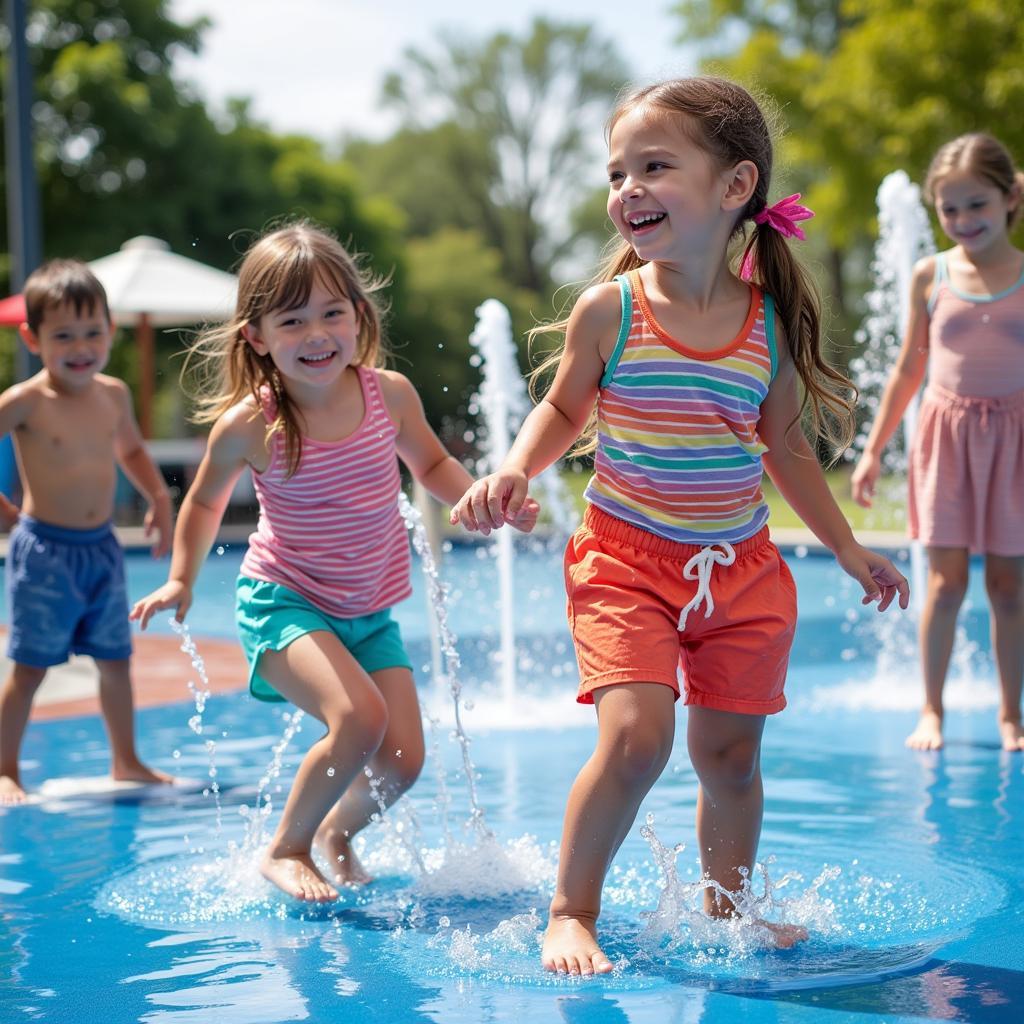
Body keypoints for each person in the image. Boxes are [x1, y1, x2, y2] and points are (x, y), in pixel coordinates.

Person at [451, 76, 910, 975]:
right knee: (636, 739)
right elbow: (560, 409)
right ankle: (570, 910)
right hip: (625, 560)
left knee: (730, 756)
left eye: (654, 167)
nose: (627, 189)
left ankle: (728, 908)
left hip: (739, 569)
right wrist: (512, 467)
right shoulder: (611, 311)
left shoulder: (765, 326)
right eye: (617, 173)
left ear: (734, 188)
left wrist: (850, 549)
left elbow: (786, 451)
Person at [130, 222, 537, 902]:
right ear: (256, 337)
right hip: (283, 601)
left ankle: (335, 834)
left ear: (359, 318)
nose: (316, 335)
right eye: (292, 321)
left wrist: (478, 498)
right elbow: (202, 505)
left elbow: (431, 464)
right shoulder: (251, 425)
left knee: (404, 756)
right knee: (358, 719)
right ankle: (285, 847)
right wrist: (180, 578)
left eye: (331, 314)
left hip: (367, 611)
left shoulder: (391, 396)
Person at [852, 133, 1024, 753]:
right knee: (945, 583)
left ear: (1009, 197)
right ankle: (932, 711)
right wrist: (873, 450)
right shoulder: (932, 273)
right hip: (946, 436)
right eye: (949, 209)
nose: (962, 221)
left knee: (1008, 584)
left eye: (976, 205)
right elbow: (907, 368)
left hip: (1015, 440)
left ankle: (1010, 716)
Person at [0, 259, 174, 804]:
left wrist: (160, 498)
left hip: (101, 548)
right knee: (29, 666)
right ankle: (5, 768)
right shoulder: (25, 401)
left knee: (116, 659)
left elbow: (131, 450)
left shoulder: (114, 395)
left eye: (92, 332)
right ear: (33, 337)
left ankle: (127, 759)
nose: (81, 347)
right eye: (63, 336)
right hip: (45, 550)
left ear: (110, 329)